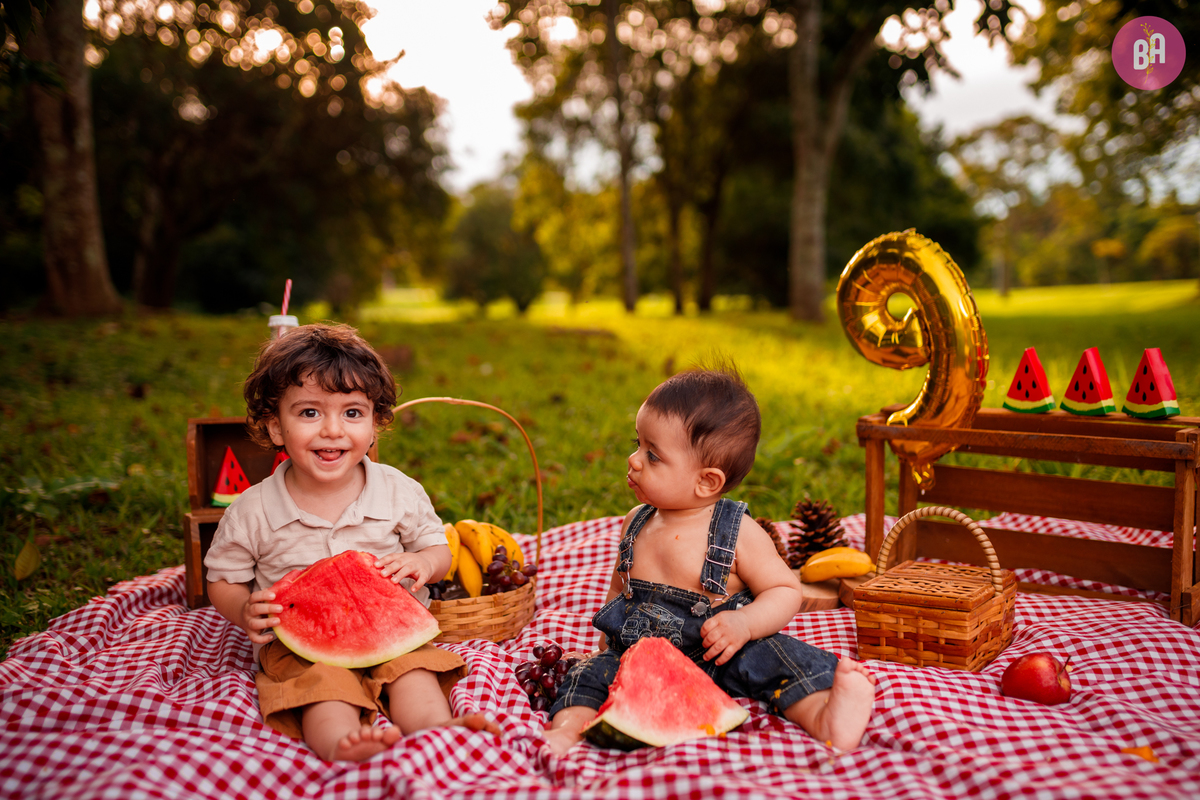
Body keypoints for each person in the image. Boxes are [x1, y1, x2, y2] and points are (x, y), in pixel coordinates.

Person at [543, 366, 876, 756]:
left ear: (707, 482)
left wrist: (745, 623)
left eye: (652, 455)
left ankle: (824, 715)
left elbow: (785, 589)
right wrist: (606, 642)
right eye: (637, 444)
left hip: (723, 651)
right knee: (588, 675)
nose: (633, 460)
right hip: (638, 656)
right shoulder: (636, 522)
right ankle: (566, 729)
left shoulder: (737, 532)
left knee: (776, 657)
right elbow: (621, 588)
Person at [205, 323, 498, 762]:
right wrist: (242, 608)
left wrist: (422, 563)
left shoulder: (399, 490)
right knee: (322, 689)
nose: (332, 431)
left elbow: (438, 548)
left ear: (376, 423)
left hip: (393, 629)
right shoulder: (252, 509)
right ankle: (342, 745)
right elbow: (223, 579)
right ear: (275, 428)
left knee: (415, 670)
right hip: (296, 646)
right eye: (309, 413)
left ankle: (436, 730)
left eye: (352, 413)